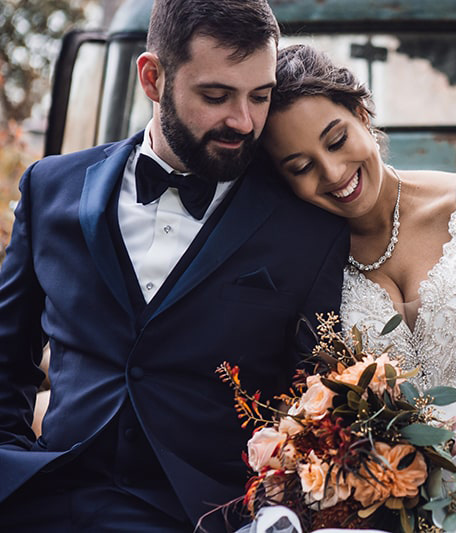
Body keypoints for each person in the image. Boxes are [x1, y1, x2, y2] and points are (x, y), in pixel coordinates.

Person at [0, 5, 349, 531]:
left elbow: (315, 405)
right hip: (45, 496)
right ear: (153, 78)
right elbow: (7, 358)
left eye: (260, 95)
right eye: (216, 96)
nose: (245, 121)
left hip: (202, 515)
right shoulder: (50, 188)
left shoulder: (308, 227)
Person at [261, 44, 456, 532]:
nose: (334, 172)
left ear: (362, 114)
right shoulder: (300, 267)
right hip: (390, 510)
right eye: (301, 167)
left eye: (337, 139)